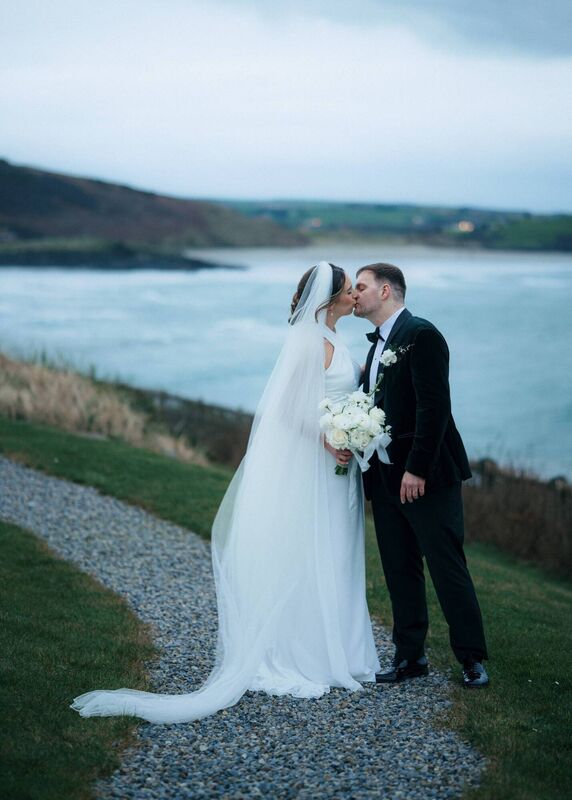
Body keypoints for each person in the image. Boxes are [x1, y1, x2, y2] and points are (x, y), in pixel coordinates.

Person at [70, 261, 381, 724]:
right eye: (349, 289)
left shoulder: (335, 337)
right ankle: (302, 653)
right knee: (309, 549)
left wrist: (354, 428)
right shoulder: (308, 342)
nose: (355, 295)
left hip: (337, 468)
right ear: (330, 298)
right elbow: (284, 408)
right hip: (317, 463)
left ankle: (342, 649)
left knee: (335, 550)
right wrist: (327, 437)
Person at [353, 262, 489, 689]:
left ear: (386, 291)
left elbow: (435, 408)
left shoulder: (422, 335)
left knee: (447, 567)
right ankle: (410, 657)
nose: (354, 294)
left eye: (361, 286)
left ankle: (472, 659)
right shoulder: (377, 346)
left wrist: (416, 468)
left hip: (426, 477)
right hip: (385, 478)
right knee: (399, 569)